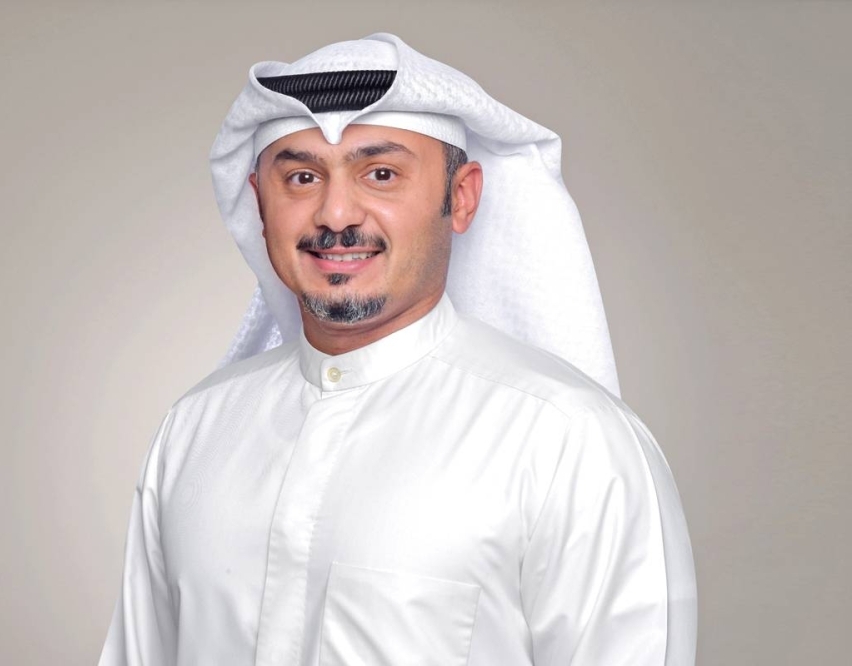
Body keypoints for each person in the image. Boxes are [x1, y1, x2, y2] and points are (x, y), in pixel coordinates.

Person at [100, 33, 697, 666]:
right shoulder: (195, 430)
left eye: (380, 174)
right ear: (260, 203)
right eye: (302, 177)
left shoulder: (568, 442)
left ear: (461, 198)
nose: (336, 214)